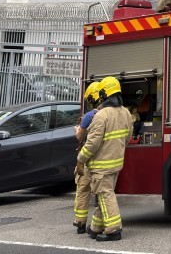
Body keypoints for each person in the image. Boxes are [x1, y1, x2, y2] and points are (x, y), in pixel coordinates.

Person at [79, 76, 133, 242]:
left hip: (101, 165)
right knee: (104, 194)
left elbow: (92, 143)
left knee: (105, 194)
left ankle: (113, 230)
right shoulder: (126, 113)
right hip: (116, 163)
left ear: (103, 94)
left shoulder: (101, 115)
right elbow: (128, 138)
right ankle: (96, 227)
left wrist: (81, 158)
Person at [72, 82, 101, 234]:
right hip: (102, 159)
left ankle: (80, 222)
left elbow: (79, 136)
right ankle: (97, 224)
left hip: (87, 159)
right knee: (100, 193)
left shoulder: (89, 116)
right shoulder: (107, 114)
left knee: (83, 189)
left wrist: (78, 129)